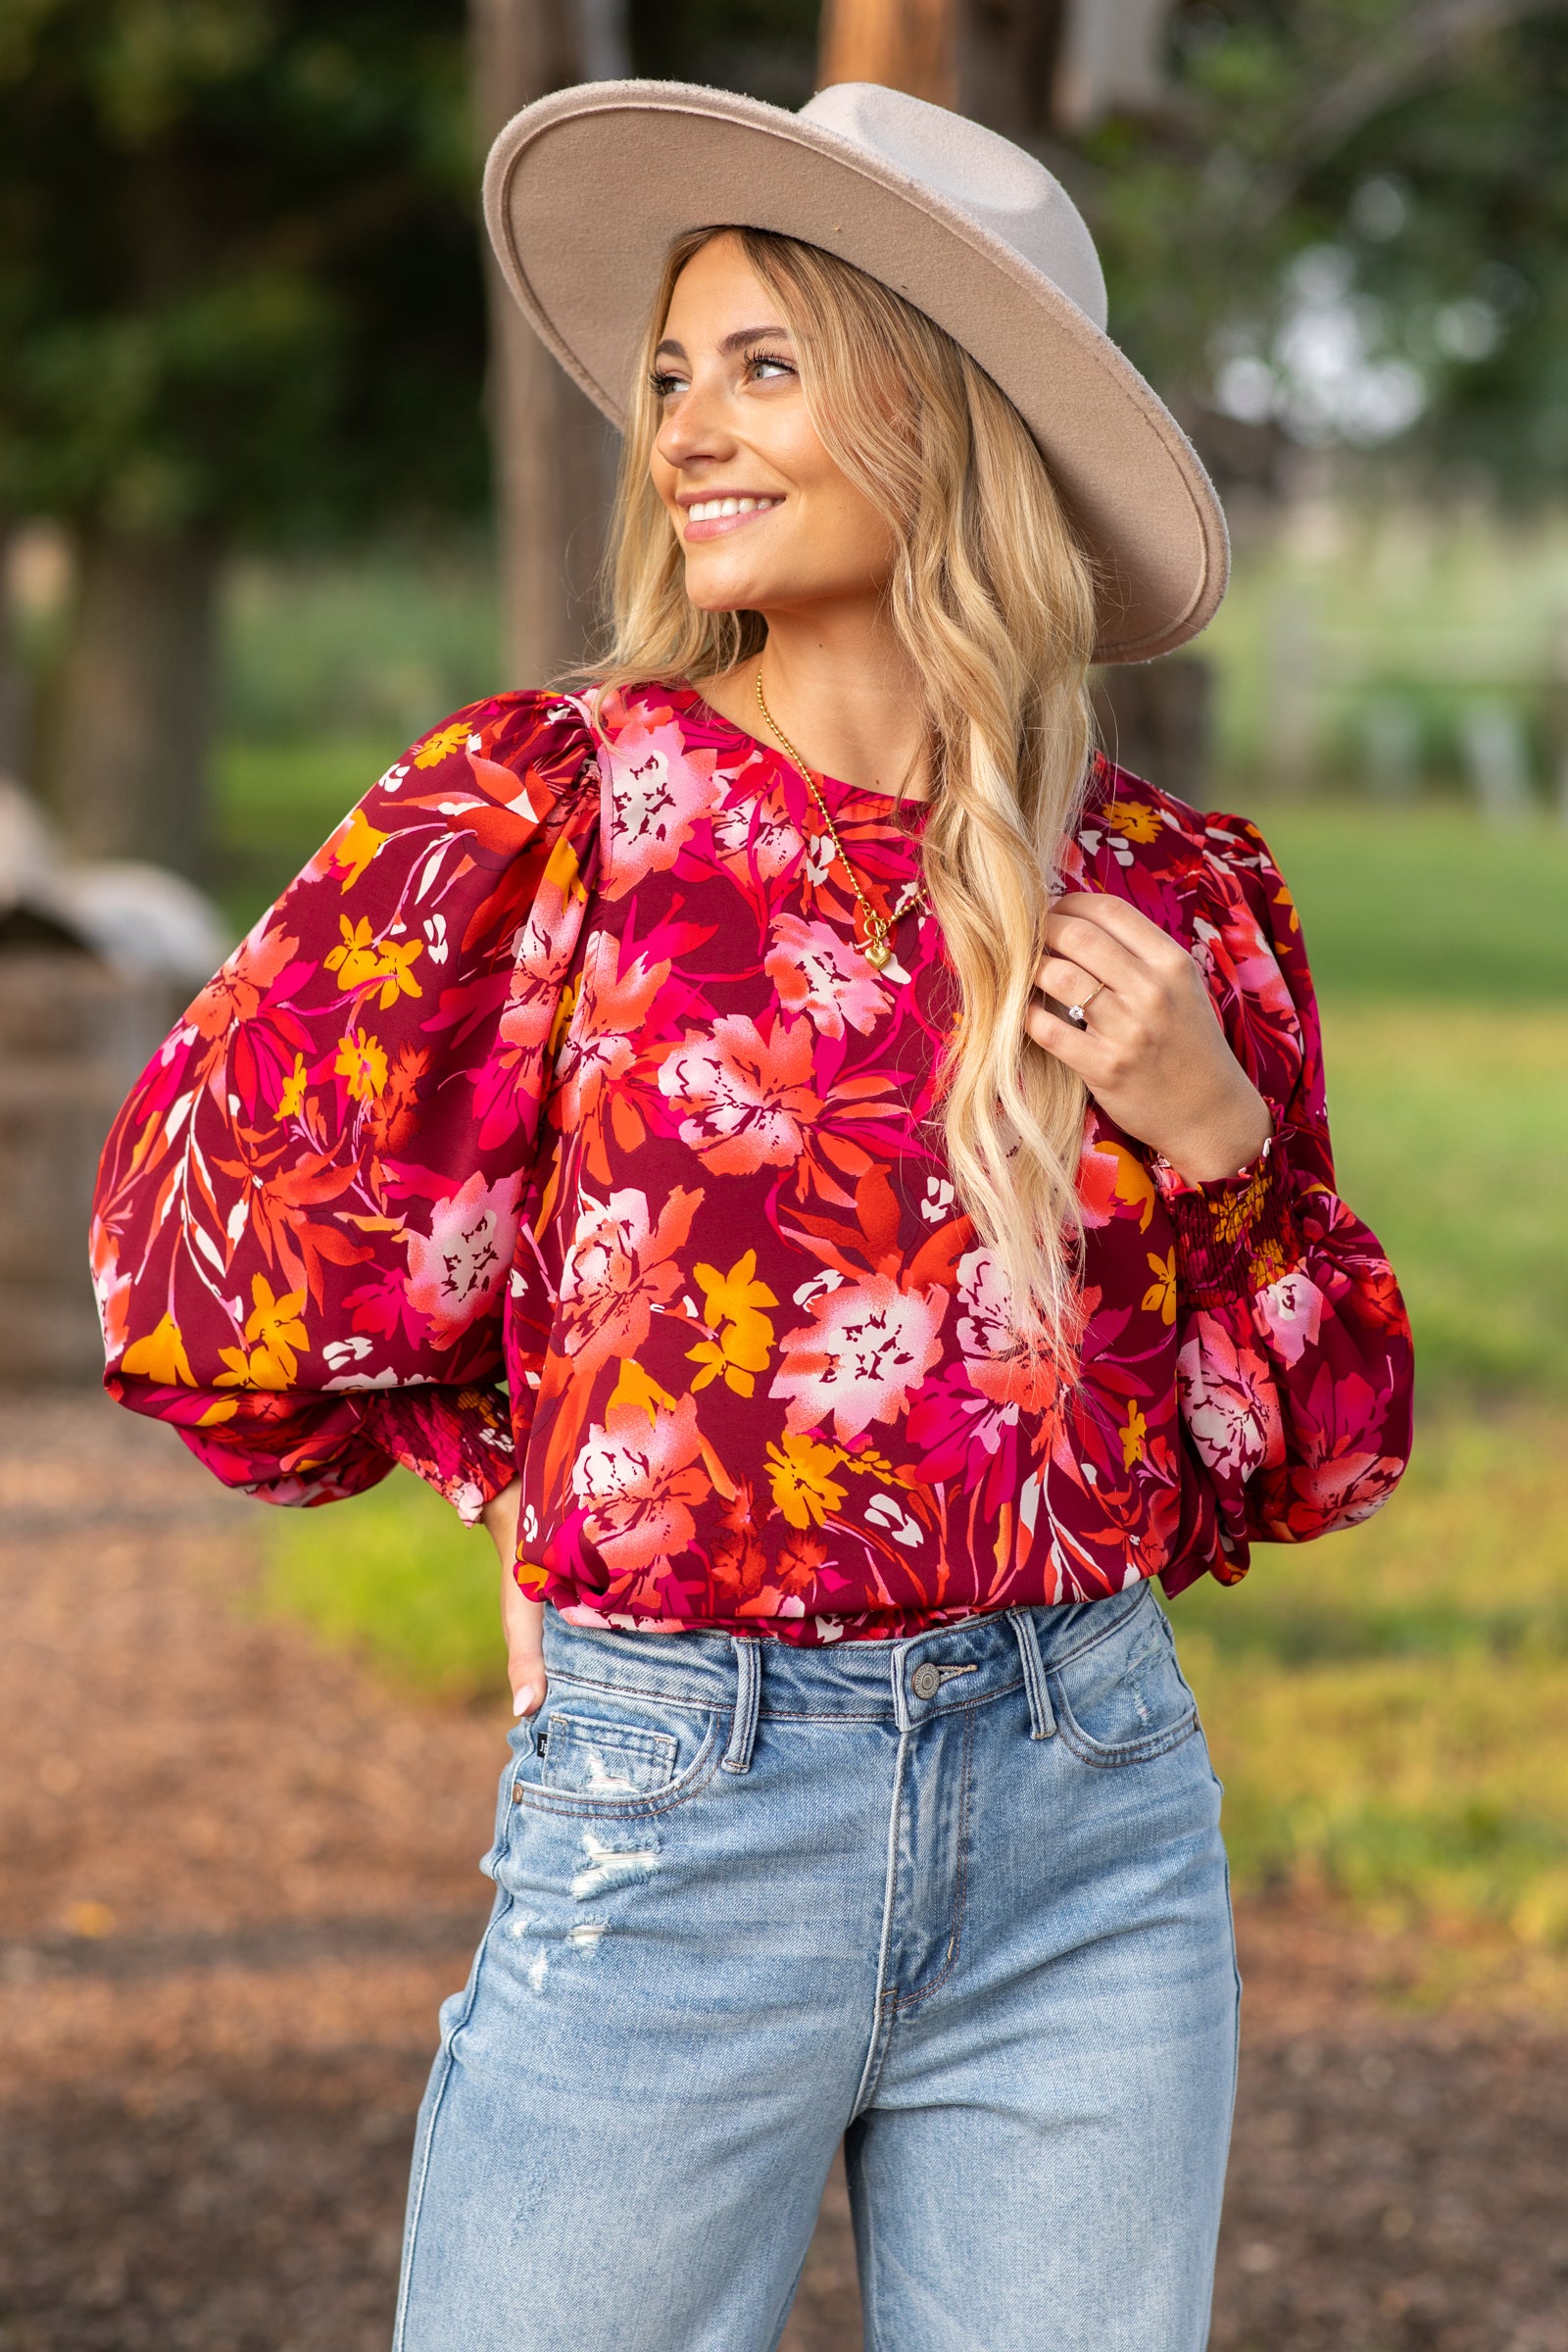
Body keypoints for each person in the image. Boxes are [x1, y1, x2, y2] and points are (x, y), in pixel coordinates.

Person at [90, 78, 1414, 2352]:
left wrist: (1215, 1134)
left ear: (943, 414)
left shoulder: (1169, 895)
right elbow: (209, 1244)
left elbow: (1311, 1456)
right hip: (679, 1802)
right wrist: (524, 1473)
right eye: (673, 372)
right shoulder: (557, 811)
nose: (686, 427)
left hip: (1090, 1814)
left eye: (763, 364)